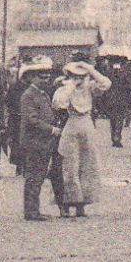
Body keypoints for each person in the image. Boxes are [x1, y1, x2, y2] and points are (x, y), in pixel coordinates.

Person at [52, 60, 111, 217]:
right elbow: (60, 105)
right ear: (69, 76)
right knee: (69, 165)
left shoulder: (90, 87)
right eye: (75, 75)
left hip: (87, 125)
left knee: (87, 164)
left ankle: (81, 204)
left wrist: (90, 69)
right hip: (71, 125)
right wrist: (69, 86)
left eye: (82, 76)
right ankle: (66, 204)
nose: (79, 79)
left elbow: (106, 83)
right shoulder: (64, 89)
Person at [17, 58, 59, 221]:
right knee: (33, 177)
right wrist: (51, 129)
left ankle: (34, 209)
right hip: (34, 142)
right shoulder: (28, 96)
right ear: (31, 78)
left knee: (39, 176)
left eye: (46, 77)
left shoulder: (42, 94)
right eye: (41, 77)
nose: (45, 80)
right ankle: (31, 211)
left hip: (43, 142)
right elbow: (32, 120)